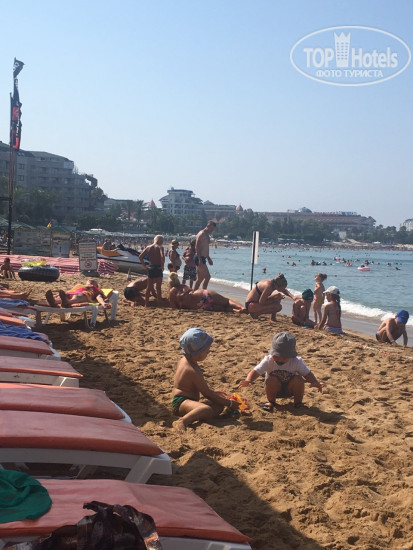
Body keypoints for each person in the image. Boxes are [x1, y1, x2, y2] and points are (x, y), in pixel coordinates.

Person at [172, 328, 240, 432]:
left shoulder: (185, 361)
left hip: (189, 401)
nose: (209, 351)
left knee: (219, 405)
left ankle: (202, 416)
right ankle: (183, 421)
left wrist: (215, 394)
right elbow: (207, 394)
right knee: (206, 409)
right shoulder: (192, 370)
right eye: (206, 351)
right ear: (197, 353)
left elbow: (204, 390)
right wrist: (230, 403)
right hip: (181, 403)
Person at [238, 332, 323, 411]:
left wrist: (314, 382)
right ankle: (271, 402)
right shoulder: (268, 360)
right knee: (271, 380)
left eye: (284, 357)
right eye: (277, 356)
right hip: (274, 389)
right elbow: (256, 371)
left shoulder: (296, 361)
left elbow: (307, 373)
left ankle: (298, 403)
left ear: (291, 355)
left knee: (298, 379)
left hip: (290, 389)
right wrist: (248, 380)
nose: (280, 359)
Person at [168, 273, 246, 313]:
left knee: (224, 309)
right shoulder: (184, 286)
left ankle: (236, 311)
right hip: (201, 294)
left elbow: (174, 306)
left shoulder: (172, 292)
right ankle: (242, 307)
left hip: (199, 306)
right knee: (226, 301)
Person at [45, 279, 110, 308]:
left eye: (93, 281)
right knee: (64, 296)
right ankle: (54, 301)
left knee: (78, 296)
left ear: (96, 285)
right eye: (89, 280)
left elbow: (99, 297)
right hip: (71, 293)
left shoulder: (96, 289)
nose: (91, 280)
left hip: (84, 294)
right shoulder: (80, 285)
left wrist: (103, 303)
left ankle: (67, 302)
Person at [139, 235, 165, 307]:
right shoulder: (160, 247)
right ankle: (159, 304)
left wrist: (144, 266)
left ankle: (146, 304)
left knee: (149, 286)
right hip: (158, 268)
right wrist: (162, 266)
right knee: (158, 287)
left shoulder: (148, 247)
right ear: (160, 240)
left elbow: (140, 257)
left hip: (151, 267)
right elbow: (162, 256)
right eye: (162, 241)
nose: (162, 242)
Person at [193, 221, 216, 291]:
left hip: (203, 257)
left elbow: (205, 248)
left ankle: (193, 293)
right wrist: (200, 259)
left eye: (213, 230)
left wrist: (208, 258)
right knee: (207, 277)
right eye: (211, 229)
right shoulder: (202, 234)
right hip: (199, 257)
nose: (212, 231)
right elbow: (197, 247)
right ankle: (204, 294)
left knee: (200, 279)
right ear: (208, 226)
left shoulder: (206, 234)